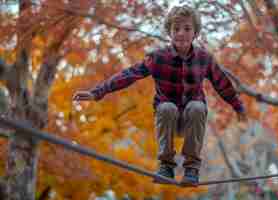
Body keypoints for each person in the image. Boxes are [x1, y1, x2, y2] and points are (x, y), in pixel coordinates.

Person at [72, 5, 247, 186]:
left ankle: (192, 168)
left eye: (187, 29)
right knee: (166, 107)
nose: (181, 33)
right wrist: (96, 92)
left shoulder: (204, 59)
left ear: (195, 33)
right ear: (169, 32)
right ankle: (166, 166)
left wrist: (238, 106)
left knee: (197, 106)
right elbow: (129, 75)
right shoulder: (158, 58)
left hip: (191, 121)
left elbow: (222, 83)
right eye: (176, 28)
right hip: (167, 119)